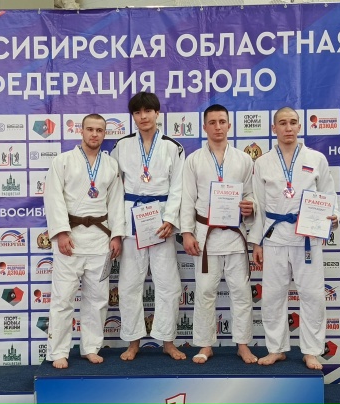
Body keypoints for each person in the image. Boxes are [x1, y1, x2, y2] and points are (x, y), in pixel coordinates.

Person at [248, 107, 339, 370]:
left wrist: (333, 215)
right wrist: (257, 242)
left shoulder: (316, 158)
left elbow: (329, 194)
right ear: (273, 128)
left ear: (299, 126)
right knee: (273, 296)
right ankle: (276, 348)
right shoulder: (262, 162)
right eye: (282, 123)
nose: (288, 128)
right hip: (274, 237)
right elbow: (259, 207)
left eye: (292, 123)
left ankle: (311, 351)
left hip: (307, 236)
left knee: (312, 295)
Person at [44, 113, 125, 369]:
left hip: (100, 239)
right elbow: (53, 198)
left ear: (104, 134)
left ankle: (91, 347)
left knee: (98, 298)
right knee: (63, 299)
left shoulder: (111, 165)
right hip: (70, 239)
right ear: (81, 131)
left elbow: (116, 203)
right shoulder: (63, 161)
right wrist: (61, 232)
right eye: (90, 129)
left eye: (99, 130)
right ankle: (58, 351)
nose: (94, 134)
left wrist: (116, 235)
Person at [110, 92, 186, 361]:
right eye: (137, 112)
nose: (143, 116)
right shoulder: (121, 146)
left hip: (161, 222)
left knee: (168, 285)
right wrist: (117, 229)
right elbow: (114, 189)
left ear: (157, 113)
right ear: (133, 116)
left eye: (148, 111)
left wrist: (171, 219)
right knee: (129, 285)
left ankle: (168, 341)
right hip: (132, 220)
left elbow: (179, 187)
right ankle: (133, 342)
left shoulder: (173, 147)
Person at [180, 104, 257, 364]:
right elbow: (187, 199)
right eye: (212, 122)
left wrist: (250, 205)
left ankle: (243, 345)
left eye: (222, 121)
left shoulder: (244, 159)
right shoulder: (193, 160)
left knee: (241, 293)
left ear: (229, 125)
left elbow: (251, 193)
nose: (218, 127)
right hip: (206, 236)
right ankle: (205, 345)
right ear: (204, 127)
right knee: (204, 292)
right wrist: (187, 233)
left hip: (235, 235)